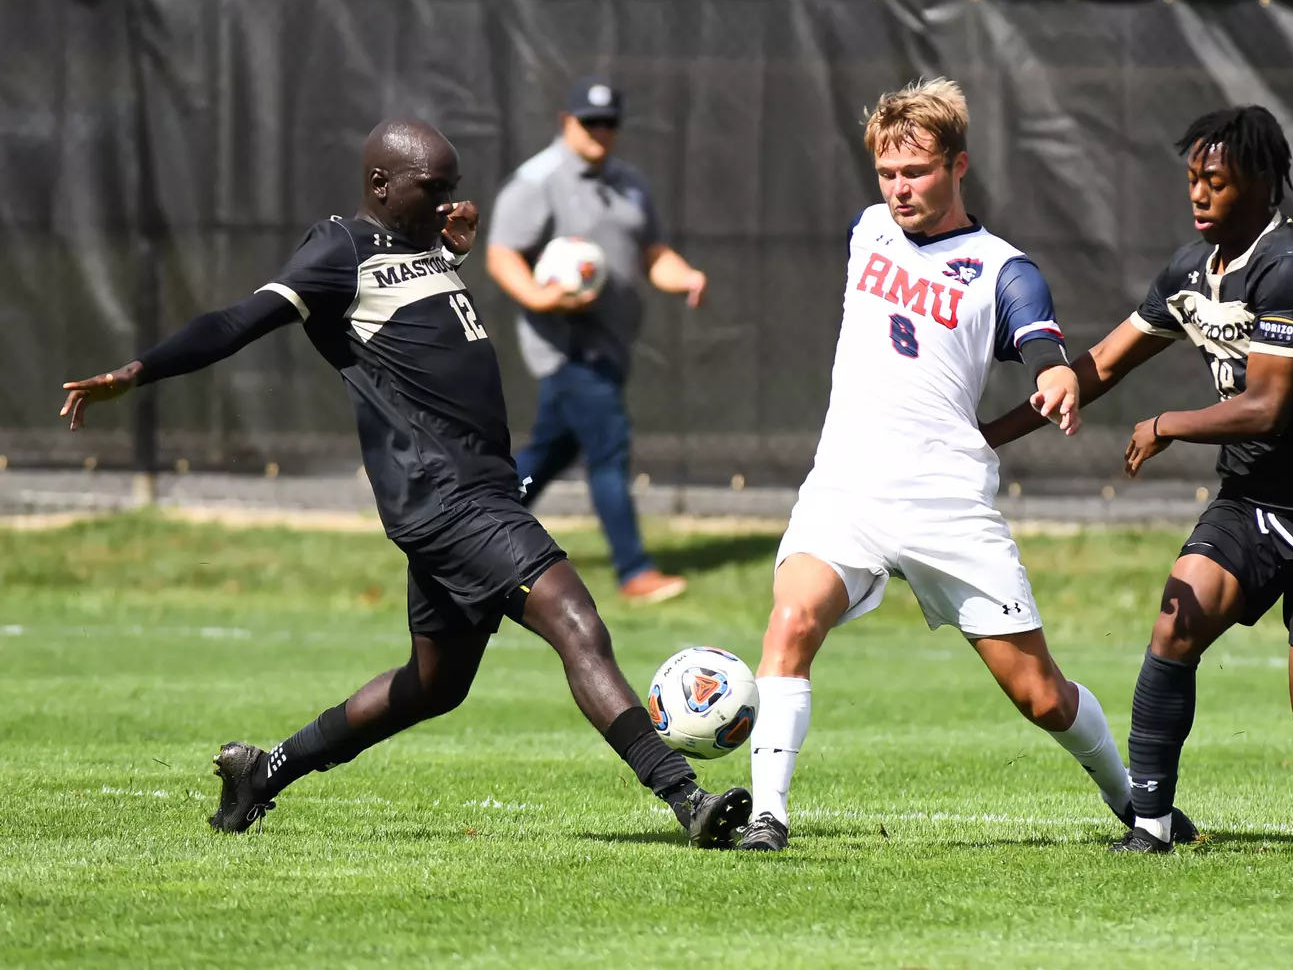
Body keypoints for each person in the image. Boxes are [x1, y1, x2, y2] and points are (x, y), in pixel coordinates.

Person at [59, 119, 750, 848]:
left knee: (435, 685)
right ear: (382, 185)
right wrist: (138, 372)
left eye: (452, 189)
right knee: (576, 621)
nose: (449, 202)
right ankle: (686, 796)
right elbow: (236, 320)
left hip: (474, 487)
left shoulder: (419, 242)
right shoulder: (338, 251)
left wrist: (449, 241)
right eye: (434, 189)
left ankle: (264, 773)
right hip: (445, 493)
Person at [982, 106, 1293, 858]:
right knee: (1175, 624)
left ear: (1262, 182)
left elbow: (1268, 407)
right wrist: (989, 435)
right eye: (1192, 180)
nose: (1199, 194)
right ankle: (1149, 825)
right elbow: (1102, 365)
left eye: (1216, 180)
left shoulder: (1291, 269)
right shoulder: (1190, 271)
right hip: (1252, 503)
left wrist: (1168, 423)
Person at [736, 78, 1196, 853]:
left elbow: (1038, 338)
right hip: (846, 490)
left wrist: (1052, 373)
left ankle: (1129, 800)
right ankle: (766, 816)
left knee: (1041, 697)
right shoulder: (867, 231)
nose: (898, 188)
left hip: (945, 502)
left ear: (959, 166)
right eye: (887, 172)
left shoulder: (1002, 268)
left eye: (915, 171)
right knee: (791, 621)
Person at [485, 75, 706, 605]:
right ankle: (634, 571)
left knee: (549, 452)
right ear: (566, 122)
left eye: (609, 123)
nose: (600, 132)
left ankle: (480, 529)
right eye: (589, 122)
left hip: (611, 345)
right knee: (608, 448)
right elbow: (501, 253)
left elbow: (652, 251)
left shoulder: (629, 182)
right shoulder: (537, 181)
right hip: (566, 344)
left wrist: (684, 276)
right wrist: (541, 299)